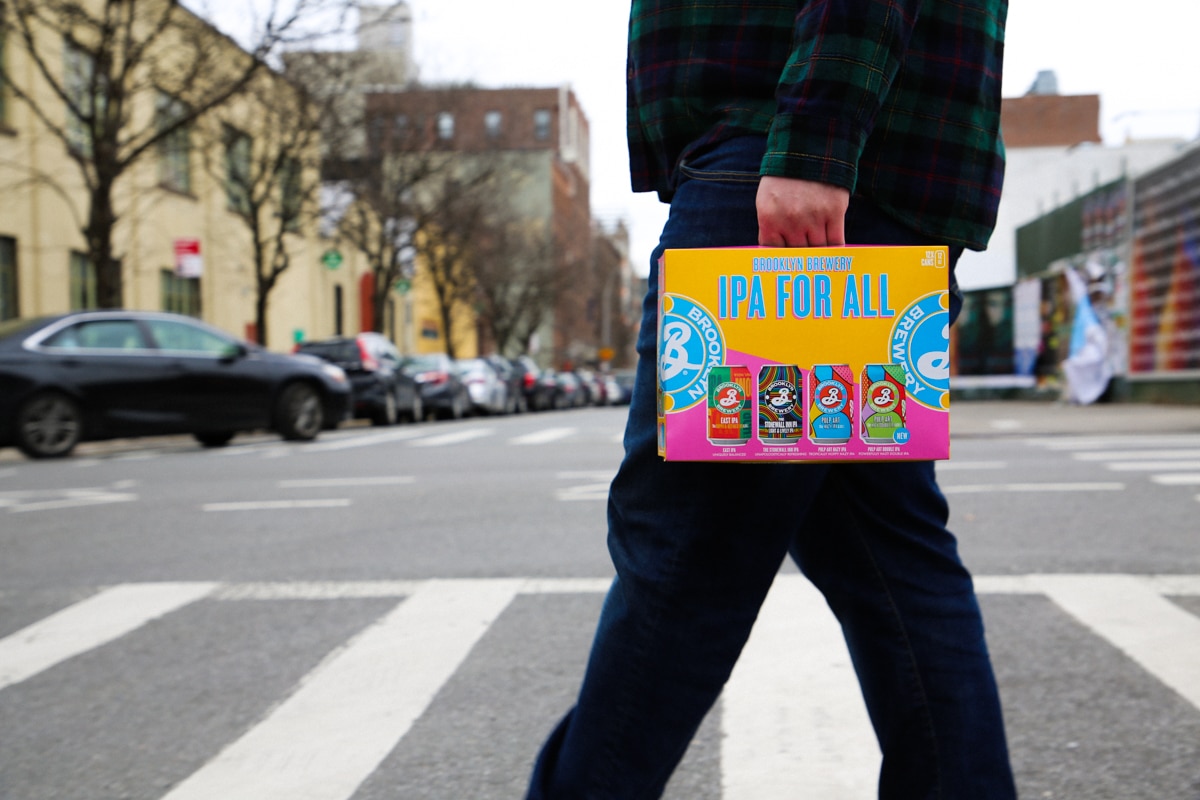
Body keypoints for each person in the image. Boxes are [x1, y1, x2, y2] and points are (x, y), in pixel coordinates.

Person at [526, 1, 1016, 797]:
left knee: (686, 555)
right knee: (888, 557)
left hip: (788, 169)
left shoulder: (805, 152)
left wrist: (816, 146)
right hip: (857, 167)